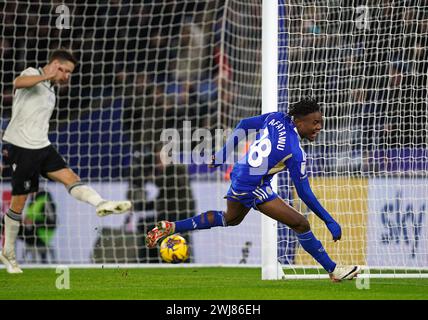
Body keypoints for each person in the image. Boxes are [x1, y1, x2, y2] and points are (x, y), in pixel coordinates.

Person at [146, 98, 360, 282]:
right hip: (251, 185)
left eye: (321, 123)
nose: (319, 127)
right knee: (300, 223)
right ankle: (333, 270)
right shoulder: (295, 152)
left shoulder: (276, 118)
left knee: (231, 218)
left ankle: (171, 227)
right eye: (315, 122)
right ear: (299, 121)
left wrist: (222, 154)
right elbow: (304, 193)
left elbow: (245, 124)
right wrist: (328, 219)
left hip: (243, 174)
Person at [0, 49, 132, 274]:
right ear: (55, 65)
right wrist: (45, 76)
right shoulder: (33, 73)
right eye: (66, 71)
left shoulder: (51, 92)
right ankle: (8, 253)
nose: (67, 76)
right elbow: (19, 82)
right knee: (19, 204)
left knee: (71, 177)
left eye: (70, 73)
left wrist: (50, 80)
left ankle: (100, 203)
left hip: (42, 146)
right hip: (21, 147)